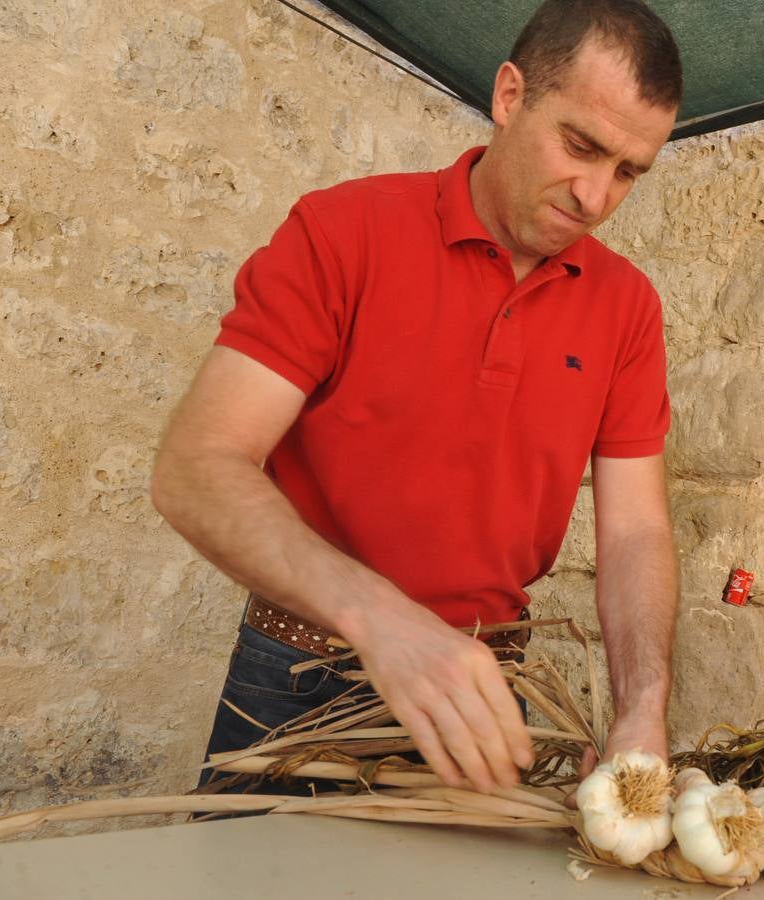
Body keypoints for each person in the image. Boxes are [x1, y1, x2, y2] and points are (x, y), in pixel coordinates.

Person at [151, 0, 683, 797]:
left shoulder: (628, 306)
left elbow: (637, 529)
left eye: (629, 172)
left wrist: (644, 703)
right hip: (301, 676)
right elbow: (195, 466)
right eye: (581, 146)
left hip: (488, 692)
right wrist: (381, 620)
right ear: (510, 97)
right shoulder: (341, 232)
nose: (597, 195)